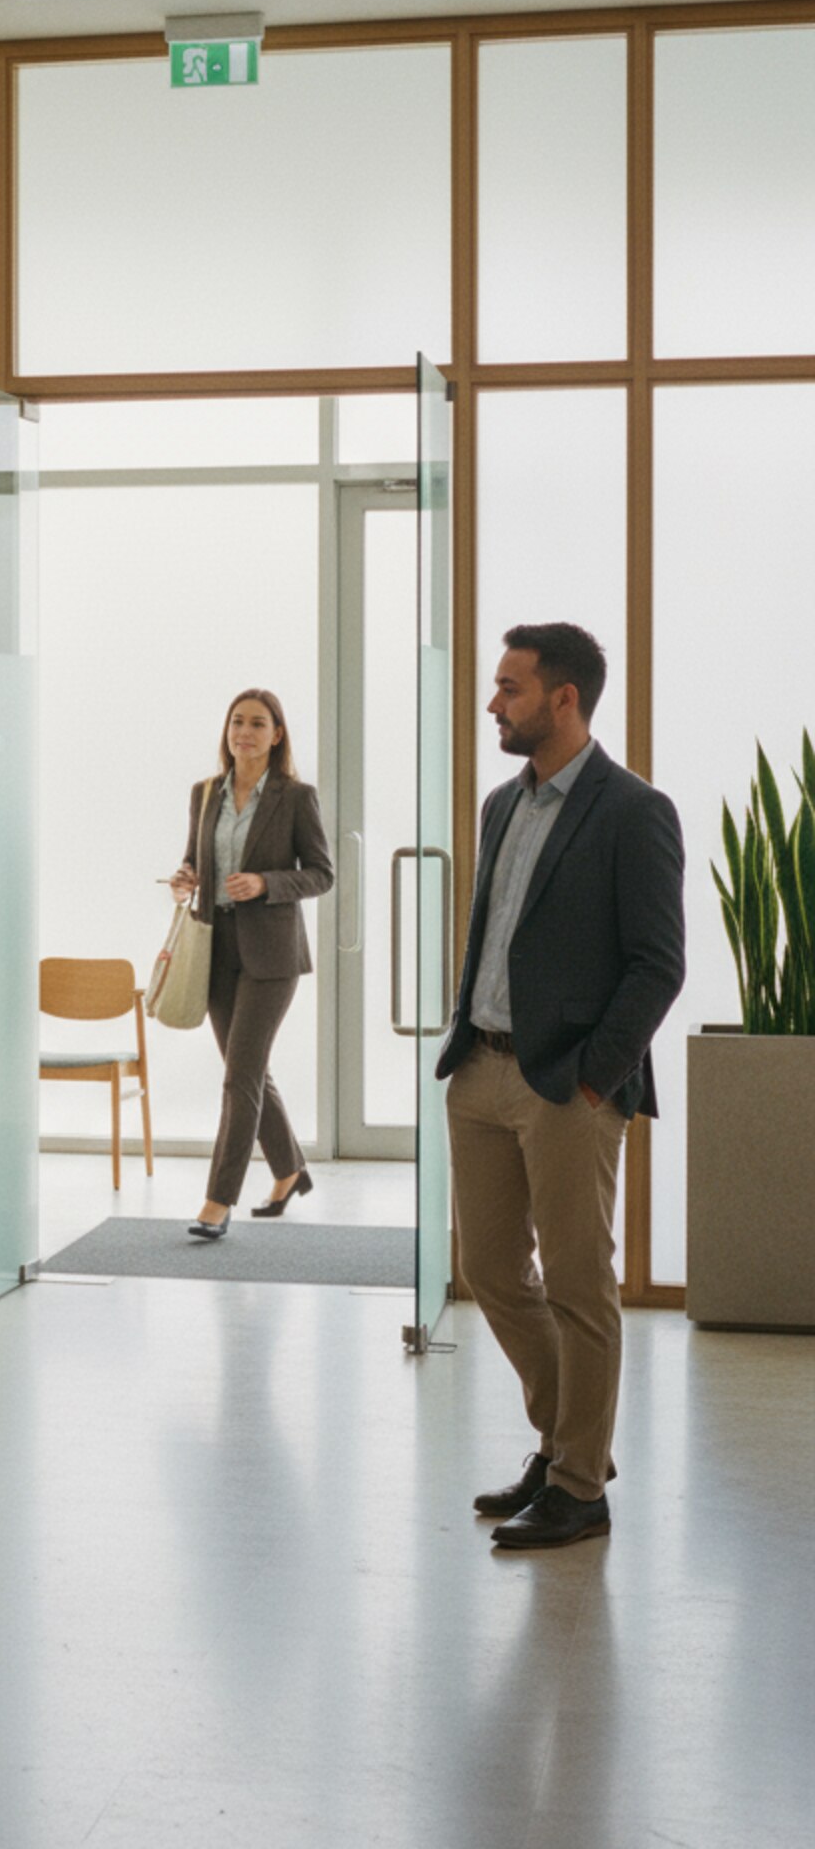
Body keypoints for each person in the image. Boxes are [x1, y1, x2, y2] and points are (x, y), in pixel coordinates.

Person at [438, 624, 683, 1550]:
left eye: (510, 688)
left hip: (569, 1085)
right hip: (480, 1069)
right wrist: (464, 1037)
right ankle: (569, 1439)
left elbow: (658, 965)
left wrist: (591, 1079)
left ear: (564, 697)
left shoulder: (635, 811)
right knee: (491, 1270)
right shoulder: (502, 804)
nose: (493, 704)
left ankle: (579, 1485)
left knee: (580, 1285)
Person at [167, 689, 334, 1240]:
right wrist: (185, 877)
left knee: (240, 1075)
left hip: (272, 955)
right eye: (237, 722)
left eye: (258, 724)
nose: (245, 732)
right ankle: (289, 1170)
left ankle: (218, 1200)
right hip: (215, 949)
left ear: (277, 734)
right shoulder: (205, 793)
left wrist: (265, 883)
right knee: (249, 1072)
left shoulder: (296, 797)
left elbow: (322, 874)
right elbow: (194, 858)